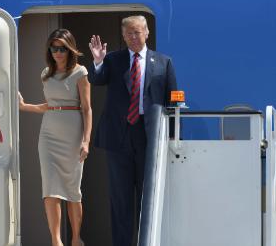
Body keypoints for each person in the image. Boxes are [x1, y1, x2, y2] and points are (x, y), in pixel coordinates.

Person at [88, 15, 177, 246]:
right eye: (129, 33)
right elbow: (98, 79)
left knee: (148, 199)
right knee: (120, 200)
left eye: (137, 32)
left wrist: (173, 138)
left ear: (147, 33)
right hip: (118, 138)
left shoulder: (163, 62)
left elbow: (173, 102)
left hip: (149, 138)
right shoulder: (114, 60)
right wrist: (98, 61)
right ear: (123, 36)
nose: (133, 37)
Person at [19, 29, 92, 246]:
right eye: (53, 48)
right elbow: (49, 105)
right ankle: (56, 241)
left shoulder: (80, 72)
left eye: (61, 48)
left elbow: (87, 109)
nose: (57, 52)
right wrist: (24, 107)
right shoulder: (45, 74)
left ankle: (76, 238)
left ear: (70, 49)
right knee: (50, 189)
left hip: (73, 134)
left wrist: (86, 140)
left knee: (72, 190)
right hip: (48, 135)